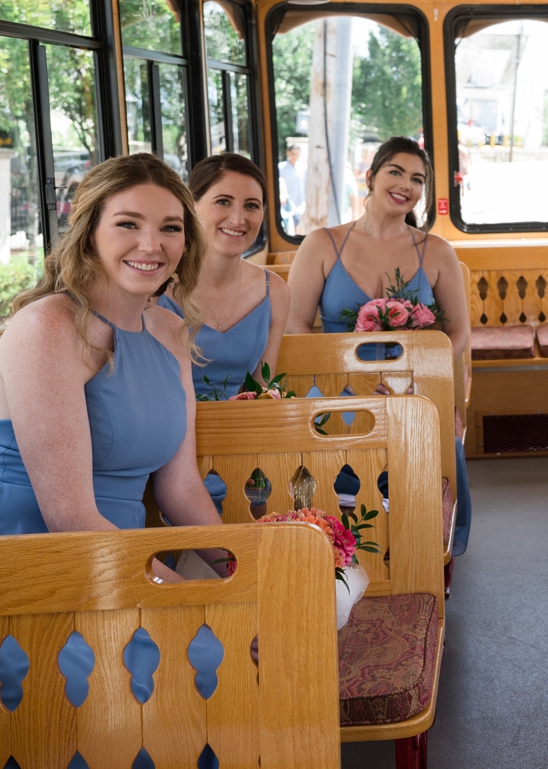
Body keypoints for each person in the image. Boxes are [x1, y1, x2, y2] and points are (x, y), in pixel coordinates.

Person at [0, 153, 228, 583]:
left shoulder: (169, 330)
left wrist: (245, 574)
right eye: (128, 224)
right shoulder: (47, 328)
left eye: (170, 228)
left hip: (116, 558)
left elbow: (179, 489)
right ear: (88, 234)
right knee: (219, 645)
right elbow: (70, 518)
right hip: (13, 566)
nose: (151, 244)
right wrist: (195, 605)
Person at [285, 136, 475, 555]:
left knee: (420, 429)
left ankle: (417, 546)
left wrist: (415, 377)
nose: (406, 184)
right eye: (396, 172)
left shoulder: (438, 252)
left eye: (417, 179)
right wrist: (342, 375)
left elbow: (457, 331)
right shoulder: (321, 244)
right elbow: (294, 324)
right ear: (370, 177)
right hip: (335, 384)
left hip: (410, 384)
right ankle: (329, 540)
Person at [161, 153, 290, 401]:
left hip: (240, 430)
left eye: (252, 205)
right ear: (191, 206)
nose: (238, 219)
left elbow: (263, 389)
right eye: (223, 202)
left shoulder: (274, 291)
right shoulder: (156, 285)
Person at [277, 143, 305, 235]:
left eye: (297, 154)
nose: (295, 157)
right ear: (288, 153)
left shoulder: (303, 168)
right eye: (293, 154)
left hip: (299, 206)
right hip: (285, 206)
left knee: (298, 232)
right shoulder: (280, 168)